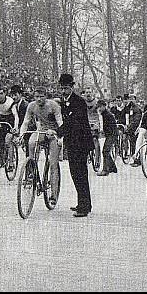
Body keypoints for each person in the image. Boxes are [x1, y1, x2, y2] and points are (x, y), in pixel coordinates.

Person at [57, 73, 94, 217]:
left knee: (80, 174)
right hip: (72, 142)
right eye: (62, 88)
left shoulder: (78, 102)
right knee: (75, 173)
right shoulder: (64, 101)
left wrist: (58, 131)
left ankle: (84, 207)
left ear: (72, 87)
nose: (64, 91)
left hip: (81, 143)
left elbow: (73, 122)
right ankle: (83, 203)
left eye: (66, 88)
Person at [19, 86, 64, 206]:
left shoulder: (53, 105)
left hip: (53, 132)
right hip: (42, 131)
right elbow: (26, 122)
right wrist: (21, 134)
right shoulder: (31, 106)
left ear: (46, 96)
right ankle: (32, 168)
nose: (39, 99)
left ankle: (53, 194)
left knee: (53, 163)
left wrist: (58, 134)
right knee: (31, 142)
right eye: (37, 96)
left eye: (41, 96)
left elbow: (60, 122)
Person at [96, 100, 118, 176]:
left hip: (112, 134)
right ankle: (113, 168)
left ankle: (105, 170)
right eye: (98, 107)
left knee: (105, 151)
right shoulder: (103, 114)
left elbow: (110, 127)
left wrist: (103, 132)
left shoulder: (107, 114)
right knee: (106, 151)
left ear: (104, 106)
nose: (99, 108)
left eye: (100, 106)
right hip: (110, 134)